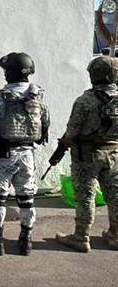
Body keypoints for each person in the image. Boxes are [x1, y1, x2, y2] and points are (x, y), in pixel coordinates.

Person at [0, 52, 50, 256]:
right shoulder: (38, 97)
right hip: (28, 154)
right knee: (26, 198)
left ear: (8, 73)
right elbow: (45, 126)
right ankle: (26, 241)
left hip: (2, 154)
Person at [55, 56, 118, 252]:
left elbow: (72, 133)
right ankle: (115, 235)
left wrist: (64, 143)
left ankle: (81, 237)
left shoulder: (85, 101)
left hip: (86, 156)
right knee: (115, 194)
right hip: (114, 153)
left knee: (85, 196)